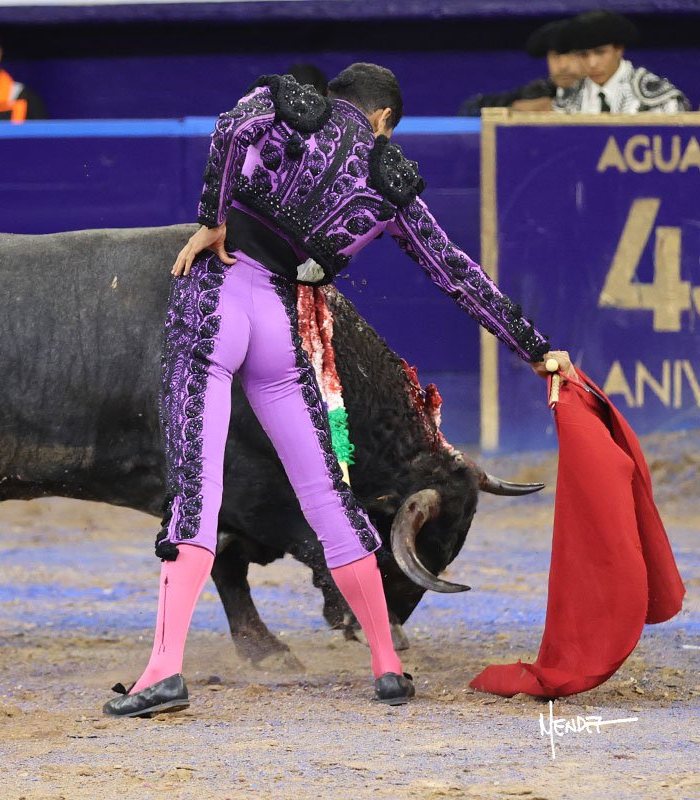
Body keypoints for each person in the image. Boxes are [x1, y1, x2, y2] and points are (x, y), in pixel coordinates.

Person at [103, 64, 574, 718]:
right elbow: (457, 274)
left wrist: (211, 220)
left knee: (196, 488)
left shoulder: (290, 104)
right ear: (384, 119)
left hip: (215, 302)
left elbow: (231, 129)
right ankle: (386, 665)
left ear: (340, 97)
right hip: (280, 325)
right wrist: (537, 348)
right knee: (328, 495)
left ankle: (162, 672)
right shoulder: (389, 181)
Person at [554, 9, 690, 114]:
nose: (592, 63)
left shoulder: (660, 99)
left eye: (600, 52)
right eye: (583, 55)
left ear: (619, 50)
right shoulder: (566, 100)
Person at [459, 19, 583, 115]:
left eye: (573, 54)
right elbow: (471, 108)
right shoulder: (541, 91)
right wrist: (513, 110)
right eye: (555, 56)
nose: (563, 66)